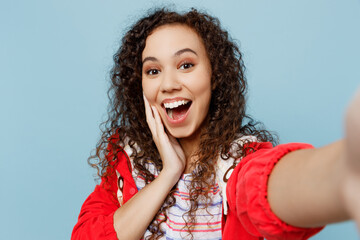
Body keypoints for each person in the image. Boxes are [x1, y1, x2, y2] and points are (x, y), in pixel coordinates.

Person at [72, 8, 360, 240]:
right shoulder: (126, 165)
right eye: (153, 70)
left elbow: (264, 187)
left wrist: (342, 174)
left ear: (214, 77)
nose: (169, 84)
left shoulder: (237, 165)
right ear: (140, 86)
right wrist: (168, 175)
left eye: (186, 65)